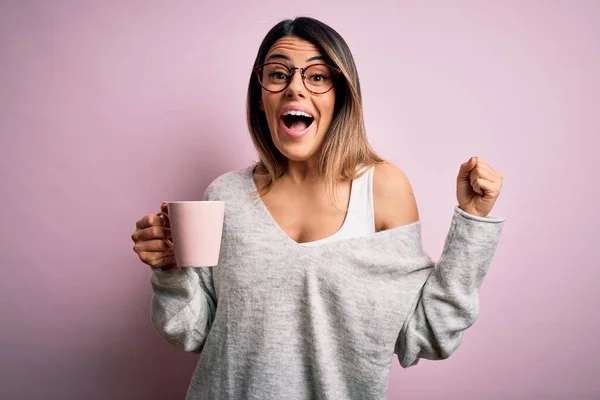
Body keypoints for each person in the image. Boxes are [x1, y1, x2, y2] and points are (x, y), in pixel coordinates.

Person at [131, 16, 505, 400]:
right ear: (261, 98)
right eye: (278, 74)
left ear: (340, 95)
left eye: (318, 76)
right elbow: (191, 332)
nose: (295, 87)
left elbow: (427, 333)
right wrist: (169, 270)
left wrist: (473, 221)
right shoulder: (223, 195)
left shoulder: (382, 188)